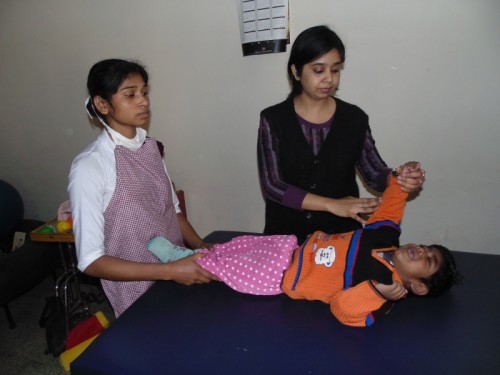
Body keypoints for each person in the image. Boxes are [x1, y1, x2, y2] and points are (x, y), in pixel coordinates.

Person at [148, 162, 461, 327]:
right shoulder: (386, 239)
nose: (421, 250)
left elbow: (343, 310)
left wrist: (376, 292)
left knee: (229, 270)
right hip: (291, 247)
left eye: (427, 260)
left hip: (281, 277)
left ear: (418, 287)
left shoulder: (382, 290)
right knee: (235, 246)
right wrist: (400, 180)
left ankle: (184, 261)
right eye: (427, 247)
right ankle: (204, 252)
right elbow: (391, 209)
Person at [68, 59, 217, 317]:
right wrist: (171, 271)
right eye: (130, 94)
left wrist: (202, 245)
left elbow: (172, 210)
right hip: (138, 290)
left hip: (176, 270)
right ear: (102, 104)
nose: (143, 101)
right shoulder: (90, 167)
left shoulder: (151, 148)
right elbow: (91, 261)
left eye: (144, 92)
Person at [257, 25, 426, 244]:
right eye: (319, 70)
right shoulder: (273, 119)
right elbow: (273, 186)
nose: (329, 78)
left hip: (340, 237)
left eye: (335, 70)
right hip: (285, 237)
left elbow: (374, 172)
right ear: (296, 71)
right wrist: (331, 204)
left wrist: (399, 177)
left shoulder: (354, 118)